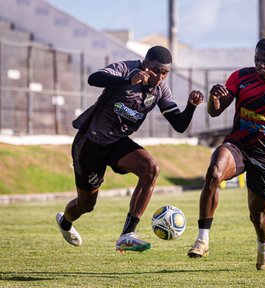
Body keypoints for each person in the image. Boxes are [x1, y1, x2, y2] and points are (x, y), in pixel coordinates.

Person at [56, 45, 203, 254]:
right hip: (90, 142)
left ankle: (127, 235)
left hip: (118, 142)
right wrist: (128, 80)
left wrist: (191, 106)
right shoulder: (126, 69)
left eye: (165, 73)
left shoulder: (160, 89)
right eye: (156, 70)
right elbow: (94, 79)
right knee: (86, 205)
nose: (160, 77)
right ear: (145, 63)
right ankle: (65, 221)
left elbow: (179, 125)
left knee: (151, 168)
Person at [187, 38, 265, 271]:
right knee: (214, 173)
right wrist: (214, 98)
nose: (261, 65)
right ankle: (202, 240)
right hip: (238, 146)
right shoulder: (240, 77)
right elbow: (215, 111)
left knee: (258, 216)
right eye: (257, 60)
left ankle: (264, 251)